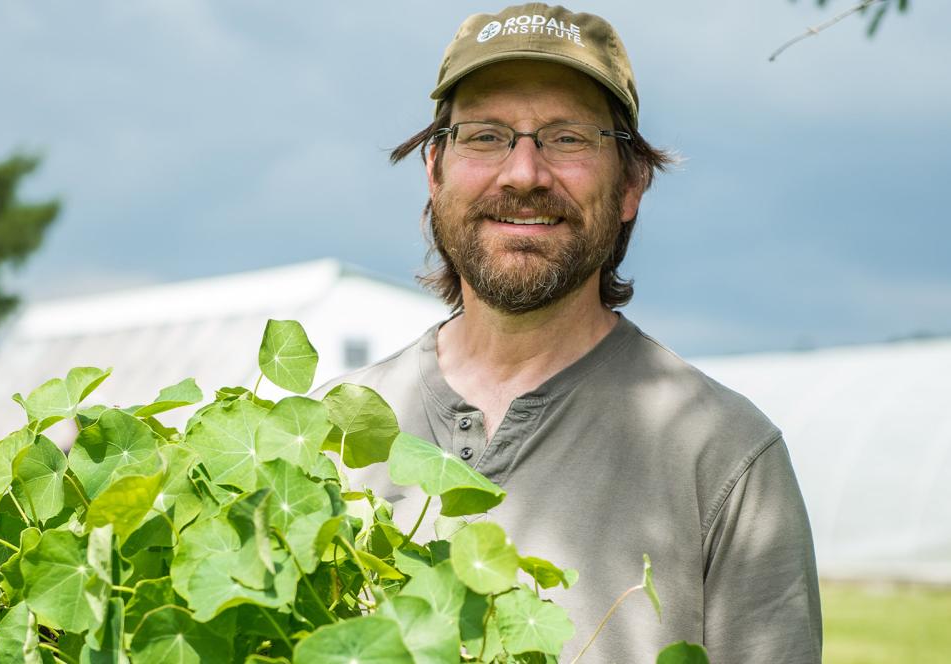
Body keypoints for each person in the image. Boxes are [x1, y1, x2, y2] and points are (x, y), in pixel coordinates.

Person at [318, 4, 822, 662]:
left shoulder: (726, 460)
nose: (523, 174)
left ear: (632, 183)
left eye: (568, 138)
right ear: (435, 169)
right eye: (486, 135)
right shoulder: (328, 436)